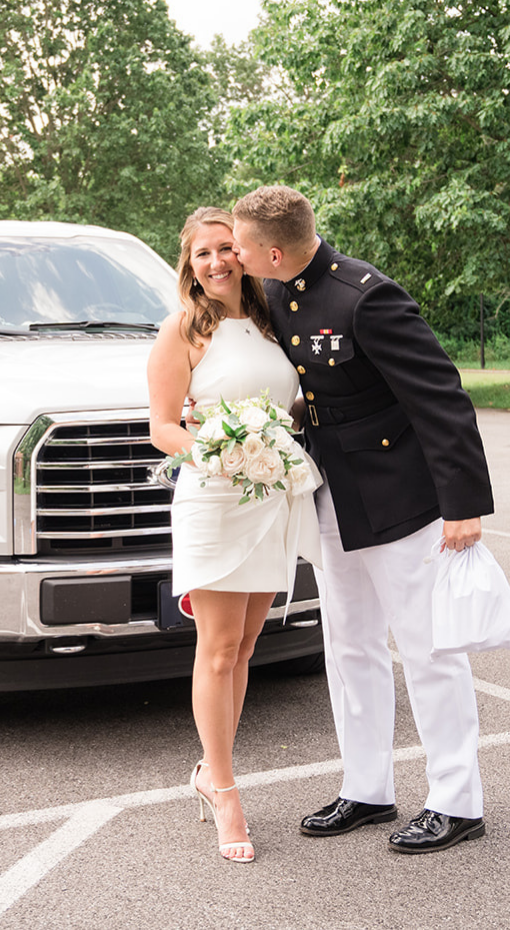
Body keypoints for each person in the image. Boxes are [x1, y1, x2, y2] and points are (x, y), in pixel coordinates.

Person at [230, 185, 496, 855]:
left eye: (239, 245)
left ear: (272, 250)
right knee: (349, 645)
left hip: (400, 496)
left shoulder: (364, 297)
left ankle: (457, 801)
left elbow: (441, 398)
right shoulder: (279, 294)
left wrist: (464, 505)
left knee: (429, 647)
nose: (234, 255)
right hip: (333, 496)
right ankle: (368, 788)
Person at [147, 206, 321, 864]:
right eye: (202, 254)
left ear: (245, 253)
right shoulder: (183, 331)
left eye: (226, 249)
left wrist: (278, 434)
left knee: (245, 647)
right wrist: (217, 450)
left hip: (268, 493)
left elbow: (293, 400)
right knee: (218, 649)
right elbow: (163, 427)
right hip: (215, 495)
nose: (217, 262)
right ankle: (222, 788)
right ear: (188, 266)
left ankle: (207, 769)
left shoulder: (274, 319)